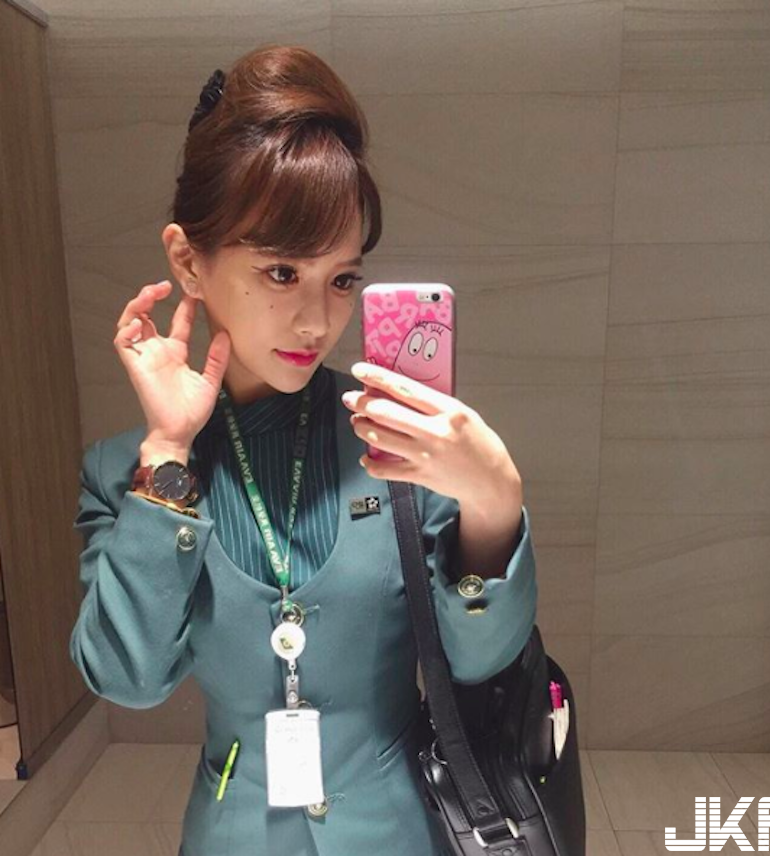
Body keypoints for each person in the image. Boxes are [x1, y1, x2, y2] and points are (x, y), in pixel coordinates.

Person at [68, 43, 538, 856]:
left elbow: (479, 660)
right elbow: (128, 681)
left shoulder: (401, 445)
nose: (320, 321)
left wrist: (494, 504)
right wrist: (170, 455)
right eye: (282, 272)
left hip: (399, 832)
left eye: (343, 278)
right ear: (188, 260)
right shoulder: (128, 474)